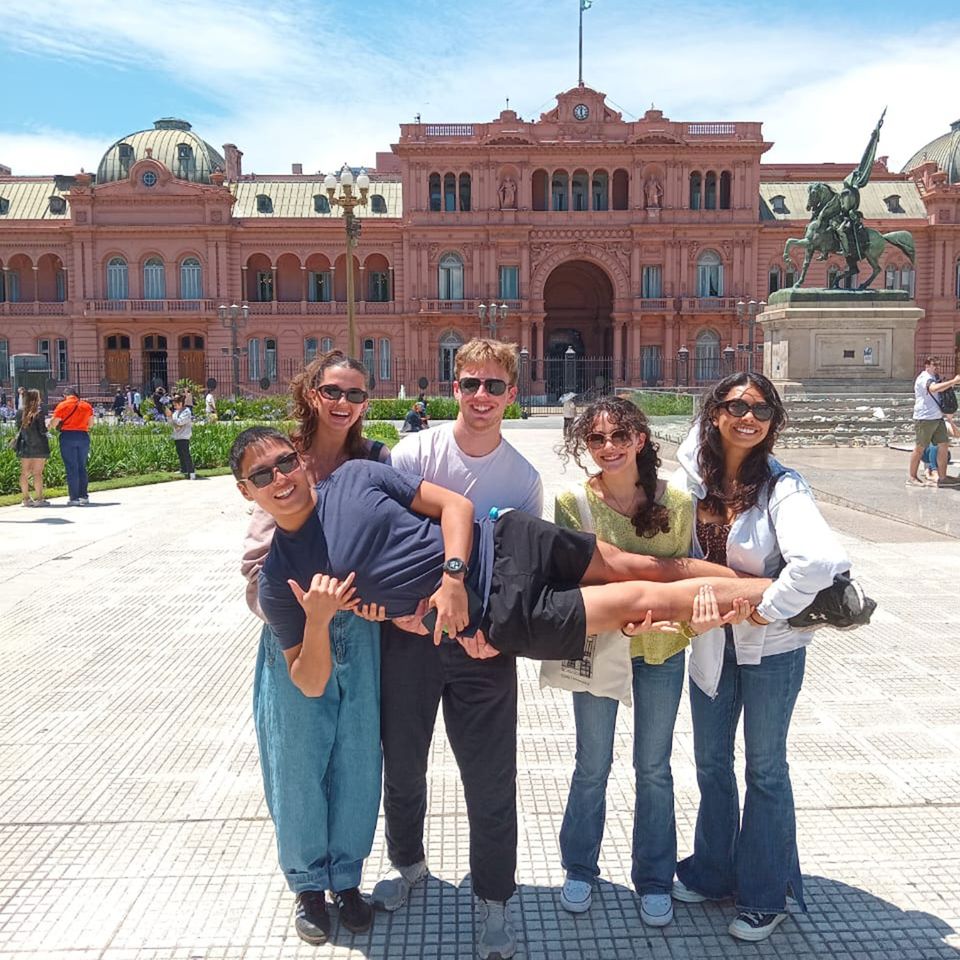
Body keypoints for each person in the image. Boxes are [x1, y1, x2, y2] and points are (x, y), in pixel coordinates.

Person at [544, 396, 748, 928]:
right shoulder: (573, 503)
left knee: (653, 768)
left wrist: (675, 623)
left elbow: (684, 576)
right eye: (595, 439)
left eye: (618, 436)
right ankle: (579, 868)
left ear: (640, 439)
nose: (608, 447)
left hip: (661, 649)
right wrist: (625, 614)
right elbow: (577, 580)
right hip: (602, 645)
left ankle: (654, 877)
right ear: (583, 446)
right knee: (592, 765)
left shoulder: (675, 501)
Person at [670, 372, 856, 943]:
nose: (748, 417)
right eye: (736, 405)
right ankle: (713, 869)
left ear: (774, 422)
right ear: (715, 412)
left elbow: (819, 561)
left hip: (771, 649)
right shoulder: (693, 480)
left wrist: (768, 609)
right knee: (710, 763)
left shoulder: (783, 485)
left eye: (762, 409)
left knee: (766, 768)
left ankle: (764, 892)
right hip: (709, 643)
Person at [373, 339, 542, 960]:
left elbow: (522, 571)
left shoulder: (522, 477)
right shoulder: (415, 451)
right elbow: (383, 538)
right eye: (470, 383)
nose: (480, 397)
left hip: (480, 649)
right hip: (413, 638)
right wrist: (402, 611)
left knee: (491, 776)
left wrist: (491, 634)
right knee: (405, 762)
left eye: (494, 387)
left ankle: (495, 897)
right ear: (454, 387)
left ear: (511, 395)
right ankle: (409, 864)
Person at [239, 351, 390, 946]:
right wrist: (304, 610)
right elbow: (255, 569)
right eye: (332, 392)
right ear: (312, 394)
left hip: (365, 631)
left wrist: (384, 601)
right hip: (298, 631)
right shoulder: (279, 460)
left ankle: (347, 878)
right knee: (298, 762)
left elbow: (398, 543)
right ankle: (307, 883)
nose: (343, 405)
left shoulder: (375, 460)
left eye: (354, 395)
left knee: (356, 755)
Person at [908, 357, 960, 488]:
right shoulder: (924, 378)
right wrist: (953, 381)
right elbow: (933, 389)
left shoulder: (936, 377)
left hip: (937, 417)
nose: (937, 367)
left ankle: (942, 477)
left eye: (938, 364)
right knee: (920, 447)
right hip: (925, 418)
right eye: (934, 365)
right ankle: (912, 477)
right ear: (927, 365)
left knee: (944, 445)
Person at [49, 387, 94, 506]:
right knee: (82, 466)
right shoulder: (86, 405)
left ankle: (74, 497)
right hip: (83, 435)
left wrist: (51, 424)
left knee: (71, 467)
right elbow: (91, 424)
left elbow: (54, 423)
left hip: (68, 436)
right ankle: (83, 495)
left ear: (65, 395)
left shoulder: (62, 405)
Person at [14, 388, 51, 507]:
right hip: (39, 445)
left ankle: (25, 499)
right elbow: (42, 430)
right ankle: (39, 498)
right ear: (37, 398)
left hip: (25, 445)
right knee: (37, 473)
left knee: (24, 473)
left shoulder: (20, 412)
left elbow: (18, 428)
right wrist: (48, 427)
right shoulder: (39, 412)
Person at [166, 393, 196, 479]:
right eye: (174, 405)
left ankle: (191, 472)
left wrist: (171, 417)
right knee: (180, 453)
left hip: (184, 436)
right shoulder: (176, 412)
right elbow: (172, 423)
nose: (174, 406)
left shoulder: (187, 411)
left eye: (176, 405)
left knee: (186, 454)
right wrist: (169, 417)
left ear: (181, 403)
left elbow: (180, 422)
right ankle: (184, 469)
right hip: (177, 435)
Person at [922, 414, 958, 481]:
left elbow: (957, 434)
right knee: (936, 443)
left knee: (945, 451)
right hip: (926, 452)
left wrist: (950, 421)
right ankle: (934, 470)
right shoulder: (926, 423)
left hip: (939, 453)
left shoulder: (944, 424)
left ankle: (930, 470)